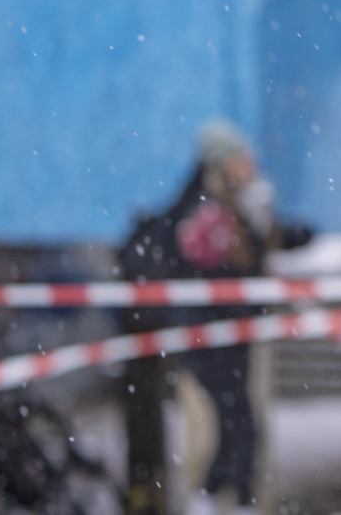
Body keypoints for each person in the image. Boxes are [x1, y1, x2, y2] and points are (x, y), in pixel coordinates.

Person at [127, 120, 311, 515]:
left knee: (236, 423)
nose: (249, 162)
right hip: (209, 336)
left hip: (230, 333)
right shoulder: (206, 210)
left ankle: (216, 498)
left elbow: (257, 245)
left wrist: (295, 234)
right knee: (238, 423)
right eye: (240, 156)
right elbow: (212, 269)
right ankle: (229, 500)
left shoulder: (235, 203)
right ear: (223, 162)